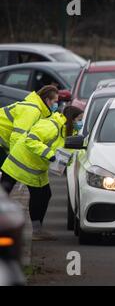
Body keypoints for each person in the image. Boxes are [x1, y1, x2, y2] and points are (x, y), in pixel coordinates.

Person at [0, 106, 84, 241]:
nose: (81, 122)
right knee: (10, 194)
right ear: (72, 118)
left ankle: (37, 230)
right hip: (20, 163)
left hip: (35, 167)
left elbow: (64, 151)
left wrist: (64, 163)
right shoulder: (51, 125)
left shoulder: (68, 131)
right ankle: (36, 231)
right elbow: (31, 140)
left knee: (43, 195)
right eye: (79, 119)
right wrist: (49, 155)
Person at [0, 85, 59, 166]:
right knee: (7, 171)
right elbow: (18, 136)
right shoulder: (32, 110)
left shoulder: (41, 111)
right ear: (47, 100)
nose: (56, 104)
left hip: (2, 143)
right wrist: (15, 161)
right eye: (55, 101)